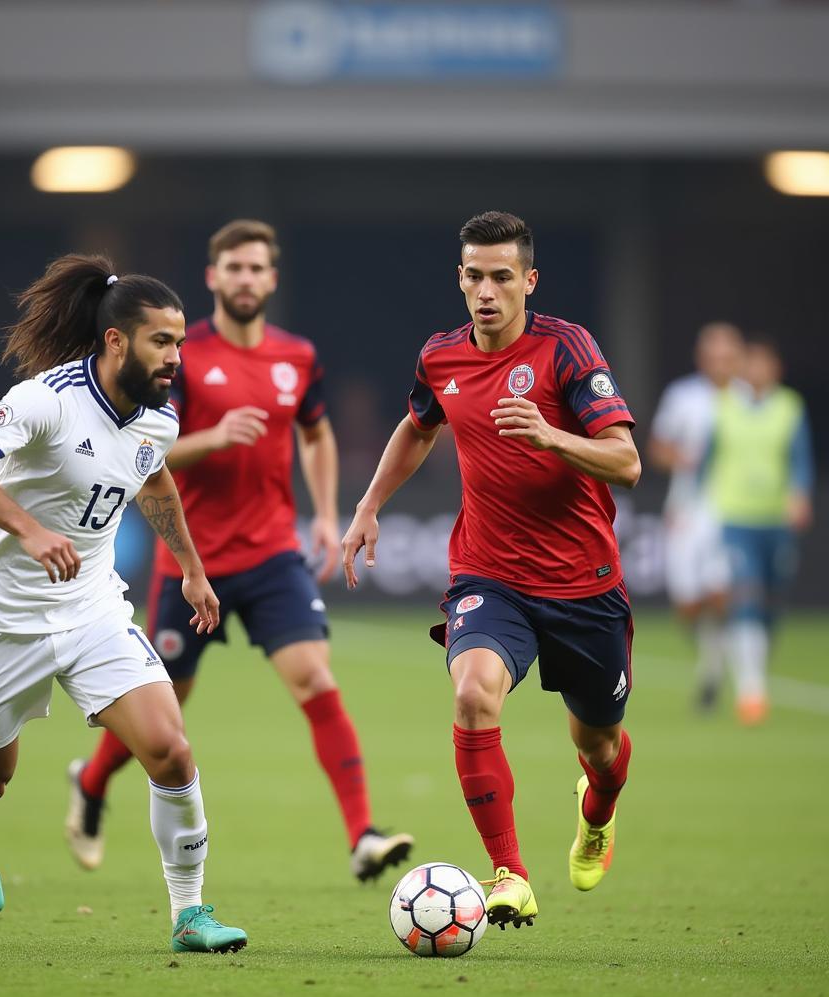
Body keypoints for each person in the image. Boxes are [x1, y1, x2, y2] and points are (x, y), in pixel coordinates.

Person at [66, 220, 413, 882]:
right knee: (164, 709)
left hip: (272, 554)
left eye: (257, 269)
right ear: (213, 277)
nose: (246, 279)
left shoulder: (296, 357)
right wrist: (216, 436)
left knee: (316, 678)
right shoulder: (178, 354)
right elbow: (144, 451)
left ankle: (363, 834)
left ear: (272, 279)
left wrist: (328, 511)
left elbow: (315, 432)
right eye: (235, 268)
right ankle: (92, 780)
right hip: (191, 562)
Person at [0, 255, 247, 954]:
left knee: (168, 748)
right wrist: (30, 528)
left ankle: (190, 914)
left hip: (92, 611)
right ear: (115, 342)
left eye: (181, 344)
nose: (175, 358)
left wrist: (192, 567)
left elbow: (155, 481)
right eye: (162, 342)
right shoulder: (49, 399)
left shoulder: (157, 419)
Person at [342, 211, 641, 930]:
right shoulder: (441, 357)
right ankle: (510, 872)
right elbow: (419, 425)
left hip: (583, 582)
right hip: (489, 573)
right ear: (460, 279)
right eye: (474, 275)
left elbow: (626, 462)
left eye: (503, 276)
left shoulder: (566, 350)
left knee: (598, 747)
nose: (487, 290)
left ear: (528, 282)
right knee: (474, 695)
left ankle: (595, 813)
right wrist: (370, 504)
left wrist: (551, 435)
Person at [704, 337, 814, 725]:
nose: (756, 371)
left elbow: (800, 458)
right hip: (736, 516)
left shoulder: (789, 407)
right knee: (746, 592)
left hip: (776, 518)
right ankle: (752, 690)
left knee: (771, 600)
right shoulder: (724, 407)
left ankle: (756, 671)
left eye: (763, 365)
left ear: (775, 370)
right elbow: (708, 459)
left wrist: (800, 494)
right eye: (750, 365)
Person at [648, 323, 744, 710]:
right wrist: (680, 459)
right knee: (688, 602)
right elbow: (658, 448)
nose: (720, 363)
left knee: (721, 594)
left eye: (727, 356)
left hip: (732, 511)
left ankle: (715, 672)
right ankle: (711, 654)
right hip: (687, 509)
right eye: (714, 355)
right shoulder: (683, 397)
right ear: (702, 359)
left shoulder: (748, 399)